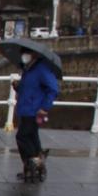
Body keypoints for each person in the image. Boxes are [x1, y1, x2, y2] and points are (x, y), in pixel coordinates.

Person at [14, 46, 59, 181]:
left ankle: (35, 163)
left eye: (26, 54)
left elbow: (53, 89)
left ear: (33, 55)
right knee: (32, 138)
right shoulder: (28, 69)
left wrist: (45, 107)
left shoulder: (41, 69)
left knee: (22, 137)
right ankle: (33, 168)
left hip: (34, 110)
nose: (24, 56)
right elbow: (29, 88)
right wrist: (18, 86)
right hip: (25, 109)